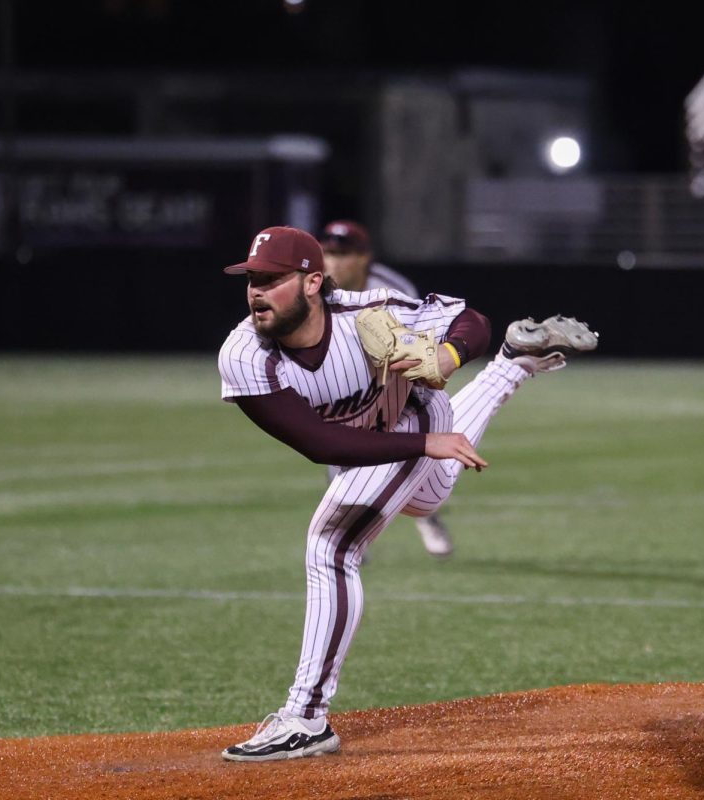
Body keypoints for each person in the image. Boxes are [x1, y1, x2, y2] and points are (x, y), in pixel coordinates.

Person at [216, 226, 598, 762]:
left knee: (332, 546)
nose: (256, 291)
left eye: (272, 279)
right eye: (252, 279)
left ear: (311, 283)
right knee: (426, 501)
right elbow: (316, 442)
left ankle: (306, 718)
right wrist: (428, 443)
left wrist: (446, 356)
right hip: (402, 439)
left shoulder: (370, 312)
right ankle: (515, 362)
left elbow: (474, 322)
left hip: (414, 415)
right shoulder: (245, 356)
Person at [318, 219, 454, 558]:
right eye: (329, 252)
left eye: (344, 253)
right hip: (346, 376)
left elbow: (422, 339)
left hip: (398, 377)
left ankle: (427, 516)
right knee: (339, 445)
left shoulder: (392, 288)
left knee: (411, 453)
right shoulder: (315, 289)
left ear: (365, 258)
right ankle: (347, 530)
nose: (334, 261)